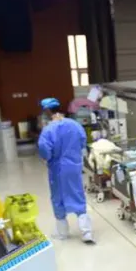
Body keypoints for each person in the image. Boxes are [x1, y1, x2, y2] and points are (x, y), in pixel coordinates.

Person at [38, 98, 94, 242]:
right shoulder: (74, 125)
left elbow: (44, 149)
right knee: (77, 194)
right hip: (74, 167)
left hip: (57, 169)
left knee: (58, 197)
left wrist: (48, 158)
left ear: (47, 111)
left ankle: (63, 233)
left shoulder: (48, 130)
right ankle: (86, 233)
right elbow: (82, 142)